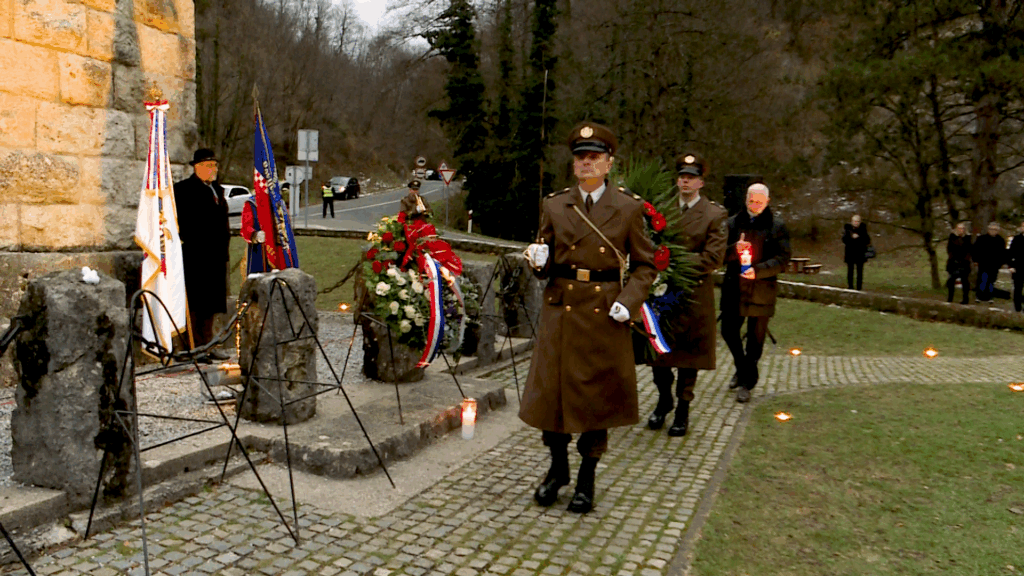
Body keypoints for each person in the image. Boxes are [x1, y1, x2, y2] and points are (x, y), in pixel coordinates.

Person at [520, 122, 657, 513]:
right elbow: (544, 259)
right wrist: (538, 262)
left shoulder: (628, 207)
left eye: (595, 157)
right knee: (552, 396)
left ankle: (586, 477)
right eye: (581, 157)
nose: (586, 163)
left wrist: (629, 301)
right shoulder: (554, 205)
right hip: (561, 311)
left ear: (609, 163)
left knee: (597, 399)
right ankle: (558, 469)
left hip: (605, 314)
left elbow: (645, 266)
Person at [645, 153, 727, 437]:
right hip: (662, 293)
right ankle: (664, 399)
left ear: (701, 182)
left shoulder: (715, 215)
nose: (685, 181)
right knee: (658, 354)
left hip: (694, 295)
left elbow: (713, 257)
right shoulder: (662, 211)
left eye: (691, 177)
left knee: (689, 359)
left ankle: (682, 408)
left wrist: (673, 262)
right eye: (682, 176)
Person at [720, 183, 791, 403]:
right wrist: (734, 250)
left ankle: (746, 383)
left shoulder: (777, 226)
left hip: (762, 290)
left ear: (767, 201)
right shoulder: (732, 223)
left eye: (760, 202)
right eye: (752, 201)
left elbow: (783, 259)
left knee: (755, 339)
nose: (756, 205)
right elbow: (718, 254)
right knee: (728, 331)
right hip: (734, 287)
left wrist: (758, 271)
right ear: (746, 200)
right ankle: (743, 368)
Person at [173, 148, 231, 360]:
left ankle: (208, 344)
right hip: (196, 257)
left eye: (215, 165)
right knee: (195, 304)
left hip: (216, 257)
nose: (213, 169)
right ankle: (193, 347)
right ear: (197, 167)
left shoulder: (217, 190)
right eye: (208, 166)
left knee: (211, 305)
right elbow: (182, 222)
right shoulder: (184, 190)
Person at [972, 222, 1005, 303]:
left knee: (991, 281)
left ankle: (989, 296)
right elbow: (975, 249)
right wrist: (975, 260)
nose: (993, 231)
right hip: (983, 263)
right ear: (988, 229)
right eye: (991, 229)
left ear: (998, 230)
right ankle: (979, 296)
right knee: (982, 280)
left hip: (994, 264)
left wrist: (1001, 263)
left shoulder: (1000, 240)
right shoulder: (982, 238)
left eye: (995, 229)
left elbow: (1003, 253)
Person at [240, 197, 268, 274]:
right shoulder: (251, 204)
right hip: (258, 250)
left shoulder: (276, 201)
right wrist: (255, 235)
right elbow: (246, 227)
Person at [842, 214, 870, 290]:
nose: (856, 223)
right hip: (850, 253)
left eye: (857, 221)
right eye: (854, 221)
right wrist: (851, 237)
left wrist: (859, 237)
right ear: (852, 222)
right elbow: (844, 240)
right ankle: (850, 286)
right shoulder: (847, 229)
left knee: (859, 271)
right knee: (850, 271)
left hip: (860, 253)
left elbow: (867, 240)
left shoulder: (863, 229)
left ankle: (859, 287)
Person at [946, 222, 972, 304]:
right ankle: (950, 298)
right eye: (959, 228)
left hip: (964, 263)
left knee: (965, 281)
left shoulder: (968, 238)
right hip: (953, 262)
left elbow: (969, 250)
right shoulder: (952, 237)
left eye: (962, 228)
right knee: (951, 280)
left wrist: (965, 259)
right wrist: (953, 259)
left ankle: (965, 299)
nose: (961, 230)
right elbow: (949, 249)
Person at [1009, 222, 1024, 312]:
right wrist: (1011, 266)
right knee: (1018, 288)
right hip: (1018, 267)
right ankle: (1017, 308)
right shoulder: (1017, 239)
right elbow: (1011, 252)